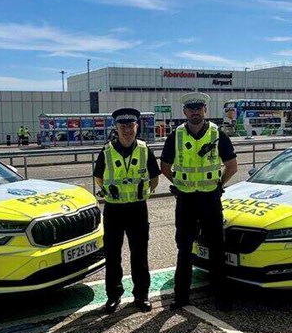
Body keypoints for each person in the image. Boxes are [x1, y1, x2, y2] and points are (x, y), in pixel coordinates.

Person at [160, 93, 238, 311]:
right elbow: (164, 167)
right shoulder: (175, 136)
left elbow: (232, 166)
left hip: (210, 199)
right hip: (186, 200)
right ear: (184, 112)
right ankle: (181, 296)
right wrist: (179, 184)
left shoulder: (217, 134)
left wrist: (219, 185)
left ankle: (221, 296)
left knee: (216, 248)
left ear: (205, 110)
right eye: (190, 108)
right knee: (184, 249)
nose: (195, 112)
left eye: (199, 108)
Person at [94, 108, 161, 313]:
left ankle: (141, 295)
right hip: (114, 210)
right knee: (113, 255)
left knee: (139, 254)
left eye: (130, 126)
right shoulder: (106, 151)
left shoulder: (144, 149)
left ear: (136, 127)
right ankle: (113, 296)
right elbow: (99, 178)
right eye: (123, 126)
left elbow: (154, 178)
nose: (127, 130)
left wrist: (143, 193)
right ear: (116, 127)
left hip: (137, 210)